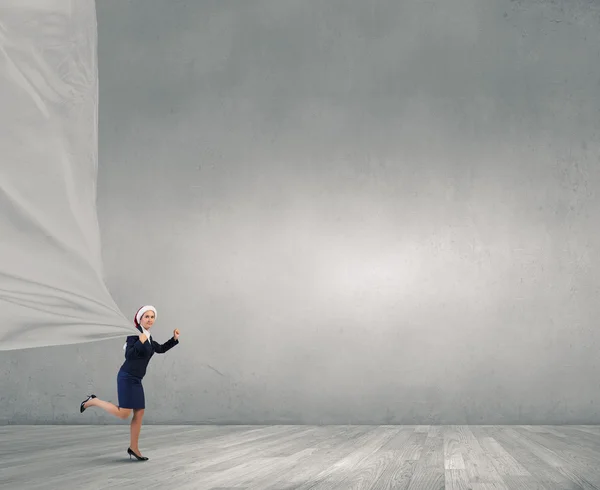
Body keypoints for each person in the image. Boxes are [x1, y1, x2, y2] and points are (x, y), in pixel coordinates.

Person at [79, 305, 180, 461]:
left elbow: (160, 349)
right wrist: (140, 342)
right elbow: (129, 355)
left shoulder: (149, 337)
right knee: (124, 414)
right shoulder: (135, 335)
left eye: (152, 317)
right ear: (140, 318)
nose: (150, 320)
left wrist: (174, 339)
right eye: (146, 316)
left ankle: (134, 448)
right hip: (126, 377)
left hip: (137, 380)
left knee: (139, 413)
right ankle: (94, 401)